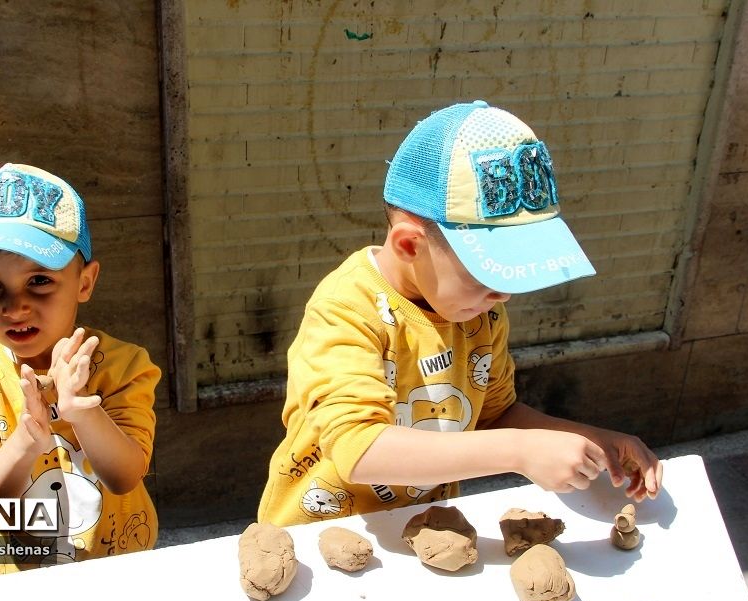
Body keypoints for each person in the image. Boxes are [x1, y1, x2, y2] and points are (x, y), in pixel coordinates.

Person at [258, 101, 663, 527]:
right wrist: (520, 452)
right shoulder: (346, 310)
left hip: (424, 528)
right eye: (487, 271)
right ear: (410, 246)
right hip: (318, 538)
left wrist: (589, 440)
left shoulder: (478, 310)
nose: (503, 293)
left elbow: (494, 416)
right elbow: (358, 448)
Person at [0, 163, 161, 576]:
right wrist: (27, 435)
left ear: (85, 282)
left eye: (39, 280)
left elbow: (125, 476)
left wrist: (82, 411)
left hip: (117, 565)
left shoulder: (123, 366)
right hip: (15, 579)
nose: (15, 306)